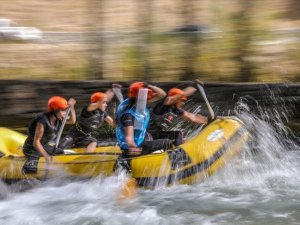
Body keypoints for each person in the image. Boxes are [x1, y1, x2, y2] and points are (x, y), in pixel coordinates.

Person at [116, 81, 173, 157]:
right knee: (168, 142)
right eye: (146, 96)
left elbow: (162, 95)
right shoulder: (128, 115)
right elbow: (129, 138)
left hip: (140, 139)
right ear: (140, 97)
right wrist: (134, 148)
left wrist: (148, 85)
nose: (148, 99)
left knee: (150, 136)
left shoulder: (132, 101)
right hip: (134, 146)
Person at [59, 84, 121, 152]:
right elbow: (96, 104)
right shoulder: (88, 109)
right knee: (60, 147)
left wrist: (122, 120)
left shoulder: (103, 114)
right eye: (104, 102)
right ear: (97, 102)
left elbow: (113, 124)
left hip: (85, 137)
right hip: (73, 135)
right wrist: (111, 92)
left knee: (93, 141)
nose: (106, 105)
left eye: (106, 102)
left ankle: (88, 156)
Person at [148, 80, 208, 146]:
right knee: (177, 134)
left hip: (158, 134)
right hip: (148, 134)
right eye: (182, 100)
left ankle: (177, 149)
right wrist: (195, 86)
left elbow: (192, 117)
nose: (183, 103)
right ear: (176, 99)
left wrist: (207, 121)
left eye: (184, 101)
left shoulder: (177, 110)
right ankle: (177, 152)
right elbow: (180, 95)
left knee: (178, 134)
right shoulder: (164, 105)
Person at [23, 96, 76, 163]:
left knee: (64, 148)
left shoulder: (58, 119)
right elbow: (36, 142)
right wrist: (47, 157)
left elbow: (72, 121)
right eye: (62, 110)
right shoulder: (42, 120)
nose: (65, 113)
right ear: (55, 110)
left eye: (65, 110)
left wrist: (72, 108)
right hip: (31, 149)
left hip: (45, 146)